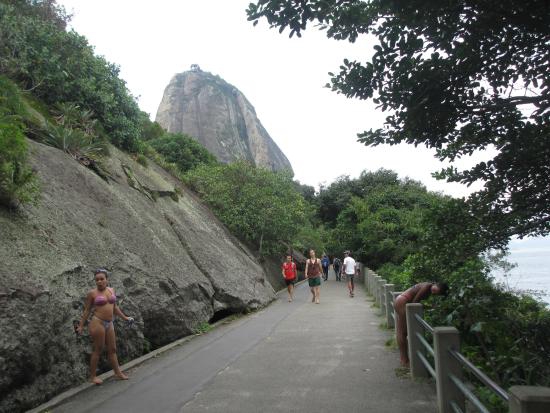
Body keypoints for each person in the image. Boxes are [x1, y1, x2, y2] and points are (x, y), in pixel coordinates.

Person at [77, 269, 134, 384]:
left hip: (109, 323)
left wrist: (125, 317)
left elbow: (114, 308)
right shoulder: (92, 293)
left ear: (107, 279)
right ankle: (93, 377)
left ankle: (118, 373)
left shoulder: (111, 290)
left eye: (102, 279)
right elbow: (87, 310)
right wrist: (81, 326)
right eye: (97, 280)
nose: (99, 281)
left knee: (112, 349)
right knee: (98, 349)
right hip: (97, 322)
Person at [394, 282, 449, 367]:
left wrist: (430, 307)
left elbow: (416, 303)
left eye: (436, 294)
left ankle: (404, 359)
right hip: (403, 302)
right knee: (403, 332)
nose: (433, 293)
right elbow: (415, 302)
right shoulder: (427, 286)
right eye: (434, 290)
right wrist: (428, 307)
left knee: (402, 332)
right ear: (435, 284)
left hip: (402, 301)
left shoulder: (428, 288)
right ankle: (404, 360)